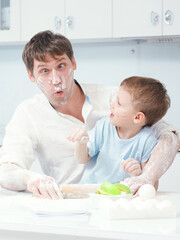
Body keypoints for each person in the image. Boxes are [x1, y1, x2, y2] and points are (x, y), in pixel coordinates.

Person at [0, 31, 179, 199]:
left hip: (119, 200)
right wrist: (31, 179)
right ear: (31, 75)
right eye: (44, 71)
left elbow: (169, 137)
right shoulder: (28, 113)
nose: (56, 80)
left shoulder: (114, 98)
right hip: (67, 204)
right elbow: (6, 170)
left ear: (73, 63)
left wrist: (146, 176)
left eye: (61, 66)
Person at [67, 76, 170, 188]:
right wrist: (81, 143)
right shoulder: (104, 126)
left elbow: (151, 186)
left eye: (119, 103)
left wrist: (137, 174)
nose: (112, 104)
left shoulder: (147, 141)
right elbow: (82, 159)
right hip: (92, 189)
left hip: (121, 196)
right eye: (115, 99)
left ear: (137, 117)